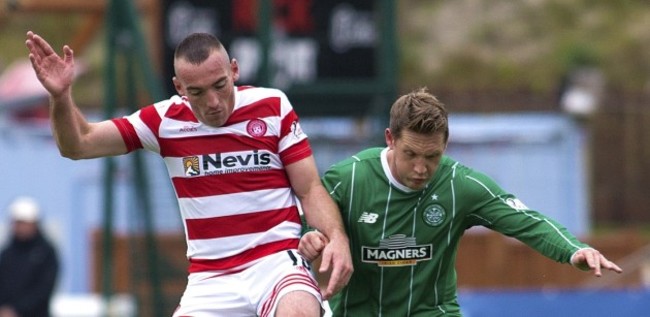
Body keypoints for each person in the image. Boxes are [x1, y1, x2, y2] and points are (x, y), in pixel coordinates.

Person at [25, 31, 352, 316]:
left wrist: (336, 238)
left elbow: (309, 188)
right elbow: (79, 145)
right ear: (179, 87)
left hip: (277, 262)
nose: (212, 102)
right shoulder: (164, 121)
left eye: (220, 85)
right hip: (210, 278)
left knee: (298, 310)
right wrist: (60, 96)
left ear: (234, 70)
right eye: (196, 92)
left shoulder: (272, 106)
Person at [298, 88, 623, 317]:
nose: (421, 168)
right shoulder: (349, 179)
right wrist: (310, 237)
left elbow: (526, 220)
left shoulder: (461, 185)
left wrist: (573, 249)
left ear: (446, 145)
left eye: (432, 156)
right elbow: (304, 226)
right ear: (390, 139)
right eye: (410, 154)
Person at [0, 196, 59, 317]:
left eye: (23, 223)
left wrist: (17, 309)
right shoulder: (7, 253)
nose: (19, 227)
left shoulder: (46, 253)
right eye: (16, 222)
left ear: (34, 223)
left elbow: (44, 289)